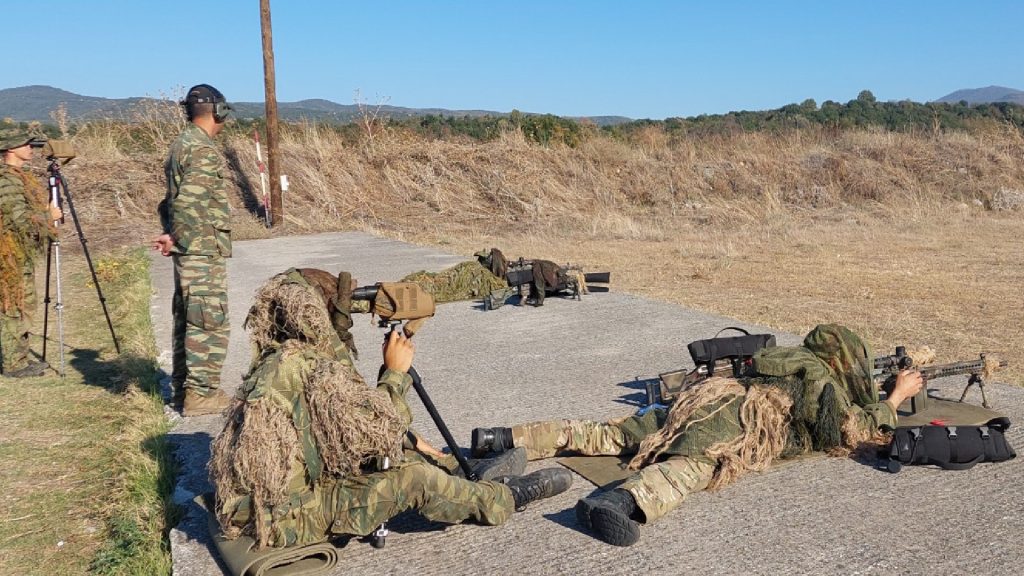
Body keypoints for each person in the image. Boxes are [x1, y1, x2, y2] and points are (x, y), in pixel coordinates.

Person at [209, 268, 572, 549]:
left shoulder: (282, 358)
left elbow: (340, 427)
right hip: (285, 520)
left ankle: (458, 471)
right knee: (412, 479)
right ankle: (503, 498)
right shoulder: (304, 367)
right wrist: (395, 374)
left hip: (278, 500)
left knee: (405, 453)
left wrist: (410, 441)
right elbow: (372, 437)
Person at [470, 324, 924, 547]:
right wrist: (896, 398)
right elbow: (853, 429)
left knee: (610, 434)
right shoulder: (823, 384)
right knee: (690, 469)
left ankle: (501, 437)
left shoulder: (790, 357)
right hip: (738, 423)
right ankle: (617, 502)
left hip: (705, 399)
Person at [154, 84, 234, 416]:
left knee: (188, 318)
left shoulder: (181, 145)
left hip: (190, 247)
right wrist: (177, 235)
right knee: (207, 320)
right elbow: (187, 203)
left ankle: (184, 390)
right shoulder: (201, 149)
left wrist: (172, 233)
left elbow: (169, 201)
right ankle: (201, 395)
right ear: (219, 112)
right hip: (200, 249)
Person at [0, 127, 62, 377]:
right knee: (14, 304)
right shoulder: (7, 180)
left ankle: (20, 358)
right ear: (11, 149)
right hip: (10, 253)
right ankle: (14, 364)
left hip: (17, 251)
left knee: (22, 302)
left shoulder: (18, 176)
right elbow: (19, 220)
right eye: (26, 144)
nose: (31, 149)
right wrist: (49, 216)